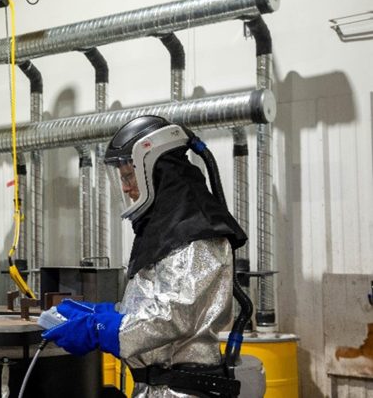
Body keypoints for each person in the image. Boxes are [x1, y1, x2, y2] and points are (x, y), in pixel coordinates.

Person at [42, 115, 248, 397]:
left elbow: (173, 316)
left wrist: (100, 328)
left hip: (183, 390)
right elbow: (153, 302)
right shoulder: (166, 228)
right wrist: (106, 313)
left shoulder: (196, 231)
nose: (126, 187)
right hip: (159, 388)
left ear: (154, 169)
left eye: (129, 176)